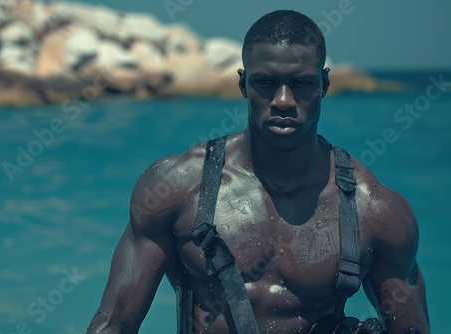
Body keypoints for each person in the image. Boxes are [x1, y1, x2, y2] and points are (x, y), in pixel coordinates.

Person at [86, 10, 430, 334]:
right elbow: (114, 323)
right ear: (242, 84)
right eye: (265, 82)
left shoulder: (375, 211)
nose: (282, 99)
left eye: (301, 83)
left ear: (323, 84)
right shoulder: (176, 187)